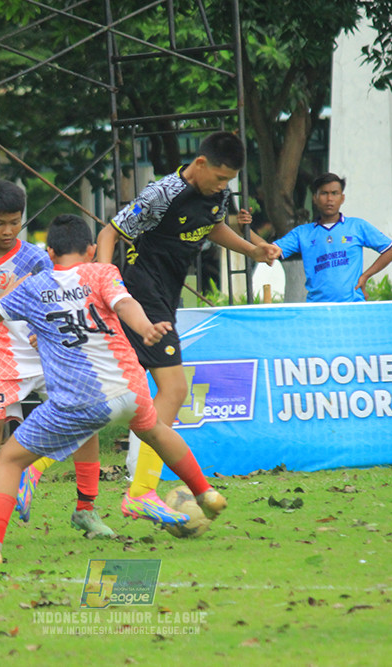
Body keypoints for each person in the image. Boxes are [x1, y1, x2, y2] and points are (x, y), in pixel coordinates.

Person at [0, 214, 228, 565]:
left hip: (78, 400)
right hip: (129, 390)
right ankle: (205, 492)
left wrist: (22, 287)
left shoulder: (34, 287)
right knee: (155, 431)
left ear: (50, 251)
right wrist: (146, 328)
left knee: (9, 460)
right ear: (90, 250)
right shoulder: (102, 272)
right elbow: (125, 304)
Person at [95, 131, 279, 524]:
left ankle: (33, 467)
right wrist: (103, 285)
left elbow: (211, 227)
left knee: (108, 397)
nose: (222, 186)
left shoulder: (218, 196)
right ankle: (141, 490)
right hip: (141, 292)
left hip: (165, 296)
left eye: (229, 180)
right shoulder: (163, 193)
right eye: (219, 177)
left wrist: (253, 250)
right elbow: (109, 232)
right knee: (174, 389)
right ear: (200, 164)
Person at [0, 180, 114, 550]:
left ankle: (85, 508)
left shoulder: (38, 258)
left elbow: (55, 298)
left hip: (44, 352)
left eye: (15, 222)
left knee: (84, 419)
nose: (8, 231)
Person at [271, 173, 392, 302]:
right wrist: (251, 233)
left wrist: (365, 276)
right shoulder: (302, 233)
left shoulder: (357, 226)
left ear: (342, 198)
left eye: (334, 193)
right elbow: (269, 251)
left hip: (352, 306)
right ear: (314, 199)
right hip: (317, 308)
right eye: (324, 193)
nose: (329, 199)